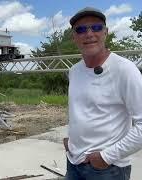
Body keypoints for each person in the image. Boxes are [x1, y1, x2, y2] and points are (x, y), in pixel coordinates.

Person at [64, 7, 142, 180]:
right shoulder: (74, 71)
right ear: (74, 37)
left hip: (107, 169)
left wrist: (107, 156)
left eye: (96, 27)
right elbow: (80, 110)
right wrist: (70, 140)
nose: (89, 33)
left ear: (106, 32)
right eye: (81, 29)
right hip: (74, 163)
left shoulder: (125, 70)